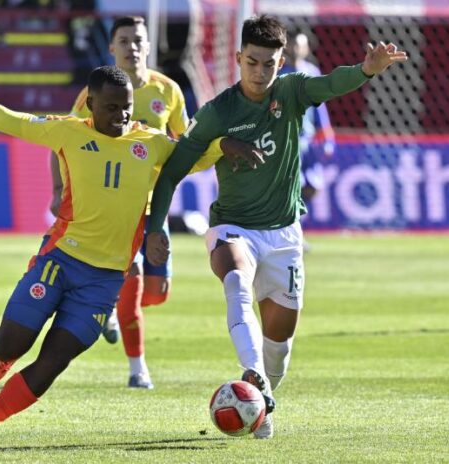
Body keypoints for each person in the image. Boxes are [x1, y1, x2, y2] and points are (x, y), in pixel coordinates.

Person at [0, 65, 253, 449]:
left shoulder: (151, 142)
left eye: (127, 107)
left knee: (53, 362)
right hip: (59, 262)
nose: (122, 116)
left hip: (104, 282)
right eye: (111, 108)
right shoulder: (67, 131)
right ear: (90, 104)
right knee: (11, 345)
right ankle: (0, 357)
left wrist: (221, 146)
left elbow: (189, 160)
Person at [145, 15, 407, 439]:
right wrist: (156, 227)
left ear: (281, 61)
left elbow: (330, 83)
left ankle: (261, 396)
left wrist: (366, 71)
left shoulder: (291, 90)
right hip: (234, 227)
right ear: (238, 58)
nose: (260, 72)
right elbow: (172, 171)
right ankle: (254, 377)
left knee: (280, 345)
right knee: (234, 278)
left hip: (284, 235)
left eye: (269, 63)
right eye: (252, 62)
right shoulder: (218, 111)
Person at [52, 16, 189, 390]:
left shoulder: (168, 91)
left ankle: (108, 303)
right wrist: (56, 190)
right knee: (135, 280)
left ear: (148, 46)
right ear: (111, 48)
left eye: (138, 40)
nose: (132, 46)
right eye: (124, 40)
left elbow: (185, 144)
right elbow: (61, 140)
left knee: (156, 293)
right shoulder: (91, 95)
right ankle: (137, 368)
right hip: (116, 211)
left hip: (154, 209)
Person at [282, 33, 336, 250]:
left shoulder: (312, 72)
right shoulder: (280, 74)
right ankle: (291, 234)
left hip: (308, 141)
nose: (296, 49)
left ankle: (295, 230)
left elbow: (319, 106)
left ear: (306, 49)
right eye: (294, 44)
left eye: (300, 45)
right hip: (287, 139)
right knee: (292, 188)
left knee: (313, 187)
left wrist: (327, 135)